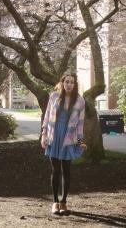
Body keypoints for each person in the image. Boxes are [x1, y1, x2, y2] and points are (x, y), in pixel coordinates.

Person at [41, 71, 86, 215]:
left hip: (69, 138)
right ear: (62, 83)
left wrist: (80, 141)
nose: (69, 84)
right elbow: (47, 116)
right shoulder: (54, 96)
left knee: (66, 170)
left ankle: (64, 202)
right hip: (54, 136)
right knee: (55, 170)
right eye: (67, 81)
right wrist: (43, 135)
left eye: (72, 82)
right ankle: (55, 202)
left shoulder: (80, 101)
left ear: (75, 84)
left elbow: (80, 123)